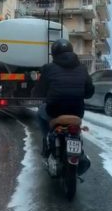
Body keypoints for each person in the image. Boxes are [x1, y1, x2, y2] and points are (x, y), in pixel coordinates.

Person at [33, 39, 94, 173]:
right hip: (76, 112)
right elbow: (89, 92)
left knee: (39, 114)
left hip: (54, 111)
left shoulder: (48, 68)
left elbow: (39, 91)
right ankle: (81, 153)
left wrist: (42, 95)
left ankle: (48, 138)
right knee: (76, 131)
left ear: (54, 54)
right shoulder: (82, 68)